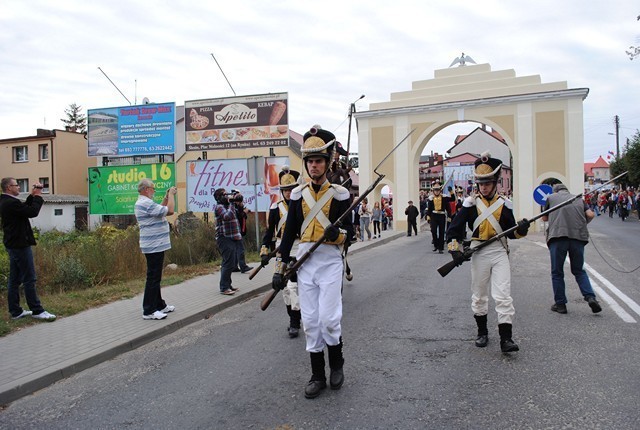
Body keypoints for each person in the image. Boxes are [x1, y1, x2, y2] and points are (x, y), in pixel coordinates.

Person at [273, 125, 354, 399]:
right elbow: (288, 236)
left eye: (319, 161)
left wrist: (337, 234)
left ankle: (337, 365)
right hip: (305, 262)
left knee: (330, 319)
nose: (314, 166)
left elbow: (349, 235)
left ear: (328, 162)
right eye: (310, 161)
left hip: (330, 262)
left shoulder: (341, 195)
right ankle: (317, 374)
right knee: (310, 320)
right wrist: (280, 268)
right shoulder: (297, 195)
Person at [446, 152, 530, 353]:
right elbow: (453, 231)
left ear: (495, 183)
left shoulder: (505, 205)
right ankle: (482, 333)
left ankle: (506, 339)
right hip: (478, 251)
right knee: (480, 295)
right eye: (481, 183)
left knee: (503, 295)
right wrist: (454, 250)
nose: (483, 187)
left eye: (487, 183)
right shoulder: (470, 204)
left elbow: (513, 235)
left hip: (499, 251)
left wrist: (522, 228)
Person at [0, 178, 56, 321]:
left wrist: (32, 196)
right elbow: (32, 212)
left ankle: (16, 311)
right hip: (20, 245)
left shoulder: (6, 201)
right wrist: (37, 196)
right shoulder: (10, 202)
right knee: (29, 278)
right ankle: (37, 310)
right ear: (8, 187)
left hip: (13, 244)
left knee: (14, 280)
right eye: (16, 185)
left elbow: (24, 209)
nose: (19, 187)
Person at [542, 183, 602, 314]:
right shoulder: (578, 199)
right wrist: (581, 224)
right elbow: (591, 215)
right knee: (579, 270)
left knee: (557, 272)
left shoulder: (551, 198)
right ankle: (590, 297)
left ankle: (561, 304)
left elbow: (544, 217)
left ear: (555, 191)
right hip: (578, 238)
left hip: (558, 238)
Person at [260, 166, 302, 338]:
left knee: (294, 287)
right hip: (280, 249)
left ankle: (295, 322)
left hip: (299, 247)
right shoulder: (275, 207)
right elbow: (269, 233)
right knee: (283, 288)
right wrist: (264, 252)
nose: (288, 193)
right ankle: (293, 317)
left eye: (291, 189)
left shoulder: (301, 205)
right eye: (285, 190)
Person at [134, 179, 177, 320]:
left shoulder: (145, 203)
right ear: (146, 189)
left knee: (156, 277)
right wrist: (171, 195)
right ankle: (149, 310)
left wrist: (165, 198)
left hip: (155, 244)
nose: (154, 191)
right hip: (153, 245)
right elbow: (170, 211)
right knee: (153, 277)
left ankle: (159, 304)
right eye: (153, 188)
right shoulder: (145, 203)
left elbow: (160, 211)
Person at [213, 187, 243, 296]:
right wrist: (231, 203)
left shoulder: (229, 206)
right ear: (219, 197)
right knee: (227, 263)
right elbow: (227, 216)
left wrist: (238, 202)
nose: (227, 196)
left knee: (231, 262)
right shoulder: (219, 207)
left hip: (233, 237)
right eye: (225, 194)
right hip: (224, 238)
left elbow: (239, 215)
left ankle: (228, 285)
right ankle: (224, 287)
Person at [427, 181, 453, 253]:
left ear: (440, 190)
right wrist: (428, 217)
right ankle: (436, 245)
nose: (436, 191)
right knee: (433, 231)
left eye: (438, 190)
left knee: (441, 232)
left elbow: (452, 200)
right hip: (434, 216)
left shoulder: (444, 197)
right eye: (435, 190)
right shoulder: (431, 198)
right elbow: (429, 209)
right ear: (433, 191)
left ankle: (441, 248)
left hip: (441, 216)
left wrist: (451, 191)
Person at [231, 191, 254, 273]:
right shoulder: (233, 208)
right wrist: (244, 212)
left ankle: (234, 266)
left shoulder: (238, 208)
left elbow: (243, 217)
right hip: (236, 231)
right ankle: (243, 266)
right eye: (239, 201)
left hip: (238, 231)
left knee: (236, 249)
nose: (240, 202)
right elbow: (238, 217)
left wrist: (244, 211)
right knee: (240, 250)